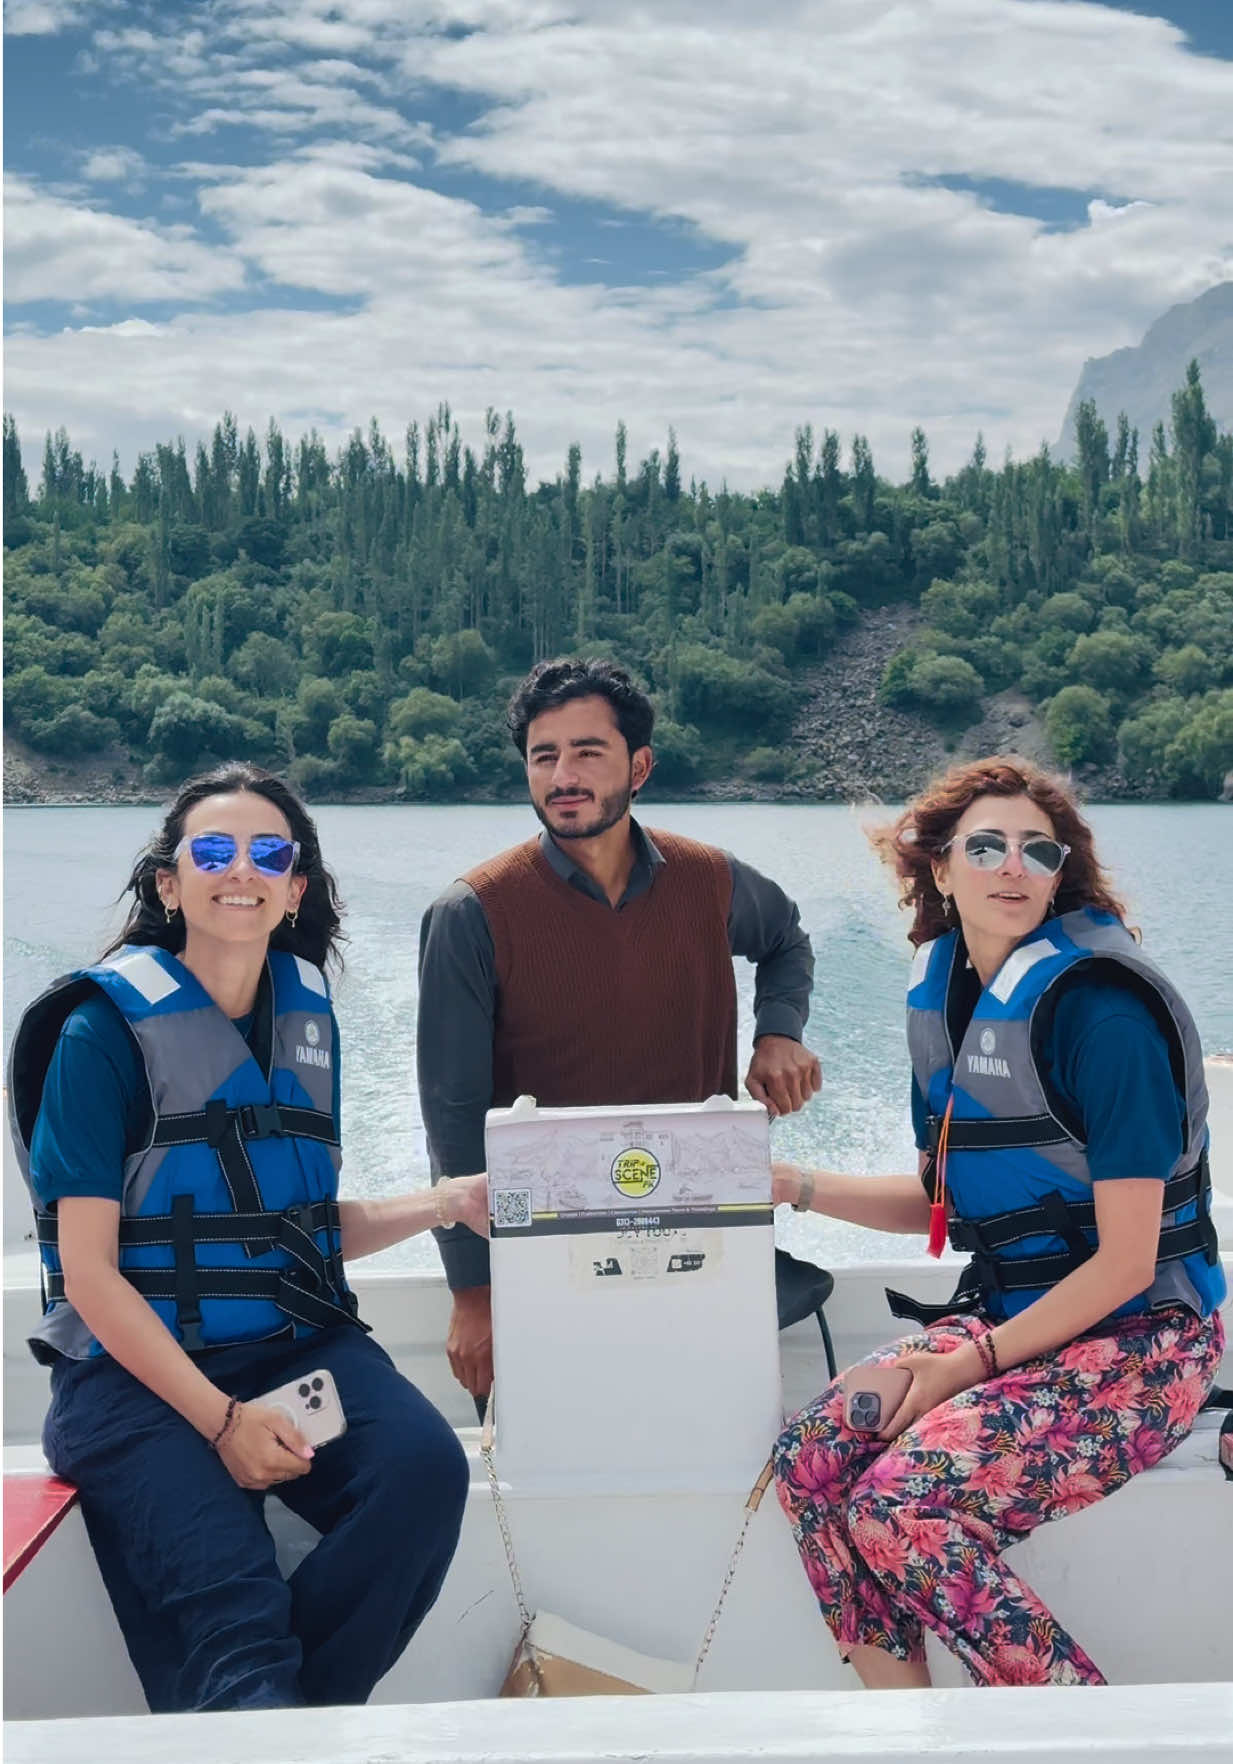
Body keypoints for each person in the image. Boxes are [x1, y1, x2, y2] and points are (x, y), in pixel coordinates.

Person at [8, 762, 488, 1713]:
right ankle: (255, 1708)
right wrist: (221, 1422)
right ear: (169, 882)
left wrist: (444, 1202)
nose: (243, 869)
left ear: (295, 886)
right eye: (213, 850)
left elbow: (298, 1235)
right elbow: (92, 1277)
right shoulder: (98, 1034)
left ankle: (276, 1720)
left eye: (270, 852)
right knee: (234, 1616)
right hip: (131, 1377)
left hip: (292, 1350)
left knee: (422, 1475)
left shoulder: (305, 1022)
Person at [770, 755, 1225, 1689]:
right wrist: (796, 1186)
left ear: (1060, 873)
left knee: (901, 1506)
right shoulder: (955, 1005)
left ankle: (1086, 1736)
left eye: (1036, 849)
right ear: (939, 868)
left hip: (1145, 1344)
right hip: (1017, 1325)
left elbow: (1128, 1260)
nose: (1012, 865)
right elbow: (954, 1205)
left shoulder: (1102, 1019)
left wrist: (960, 1368)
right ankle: (910, 1734)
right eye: (985, 845)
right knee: (810, 1459)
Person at [418, 657, 822, 1401]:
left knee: (716, 1442)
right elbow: (450, 1115)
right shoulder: (471, 913)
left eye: (587, 752)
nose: (562, 774)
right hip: (544, 1244)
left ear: (638, 767)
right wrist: (471, 1294)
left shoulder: (711, 880)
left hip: (701, 1231)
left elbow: (785, 939)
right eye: (544, 756)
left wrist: (778, 1032)